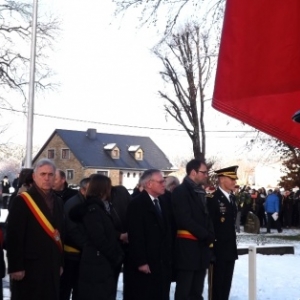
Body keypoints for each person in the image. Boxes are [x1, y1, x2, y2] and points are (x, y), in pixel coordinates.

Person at [6, 158, 64, 300]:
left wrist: (60, 262)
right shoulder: (22, 200)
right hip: (29, 266)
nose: (47, 178)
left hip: (51, 265)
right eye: (43, 174)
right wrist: (15, 266)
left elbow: (60, 233)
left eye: (51, 175)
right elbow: (14, 235)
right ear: (34, 176)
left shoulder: (58, 201)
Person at [69, 174, 124, 300]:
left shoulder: (99, 208)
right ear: (103, 189)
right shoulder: (93, 210)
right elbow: (98, 237)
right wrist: (116, 256)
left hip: (99, 262)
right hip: (97, 263)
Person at [171, 159, 214, 300]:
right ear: (193, 172)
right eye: (204, 172)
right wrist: (204, 234)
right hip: (188, 248)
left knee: (197, 291)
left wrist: (210, 234)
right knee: (185, 290)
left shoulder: (200, 191)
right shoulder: (180, 191)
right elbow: (184, 219)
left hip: (201, 248)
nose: (206, 175)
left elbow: (206, 216)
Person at [126, 169, 172, 300]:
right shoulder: (137, 204)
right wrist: (141, 261)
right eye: (161, 181)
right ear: (149, 184)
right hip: (147, 263)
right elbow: (136, 235)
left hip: (162, 261)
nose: (164, 184)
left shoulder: (163, 202)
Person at [206, 166, 239, 300]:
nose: (234, 182)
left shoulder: (232, 199)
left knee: (226, 285)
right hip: (217, 250)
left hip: (229, 249)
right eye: (231, 179)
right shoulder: (212, 199)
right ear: (221, 179)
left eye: (234, 179)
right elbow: (209, 225)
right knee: (216, 287)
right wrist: (211, 249)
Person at [60, 177, 90, 300]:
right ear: (83, 190)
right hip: (72, 254)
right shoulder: (74, 204)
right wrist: (87, 246)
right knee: (67, 288)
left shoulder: (82, 202)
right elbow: (72, 230)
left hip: (79, 253)